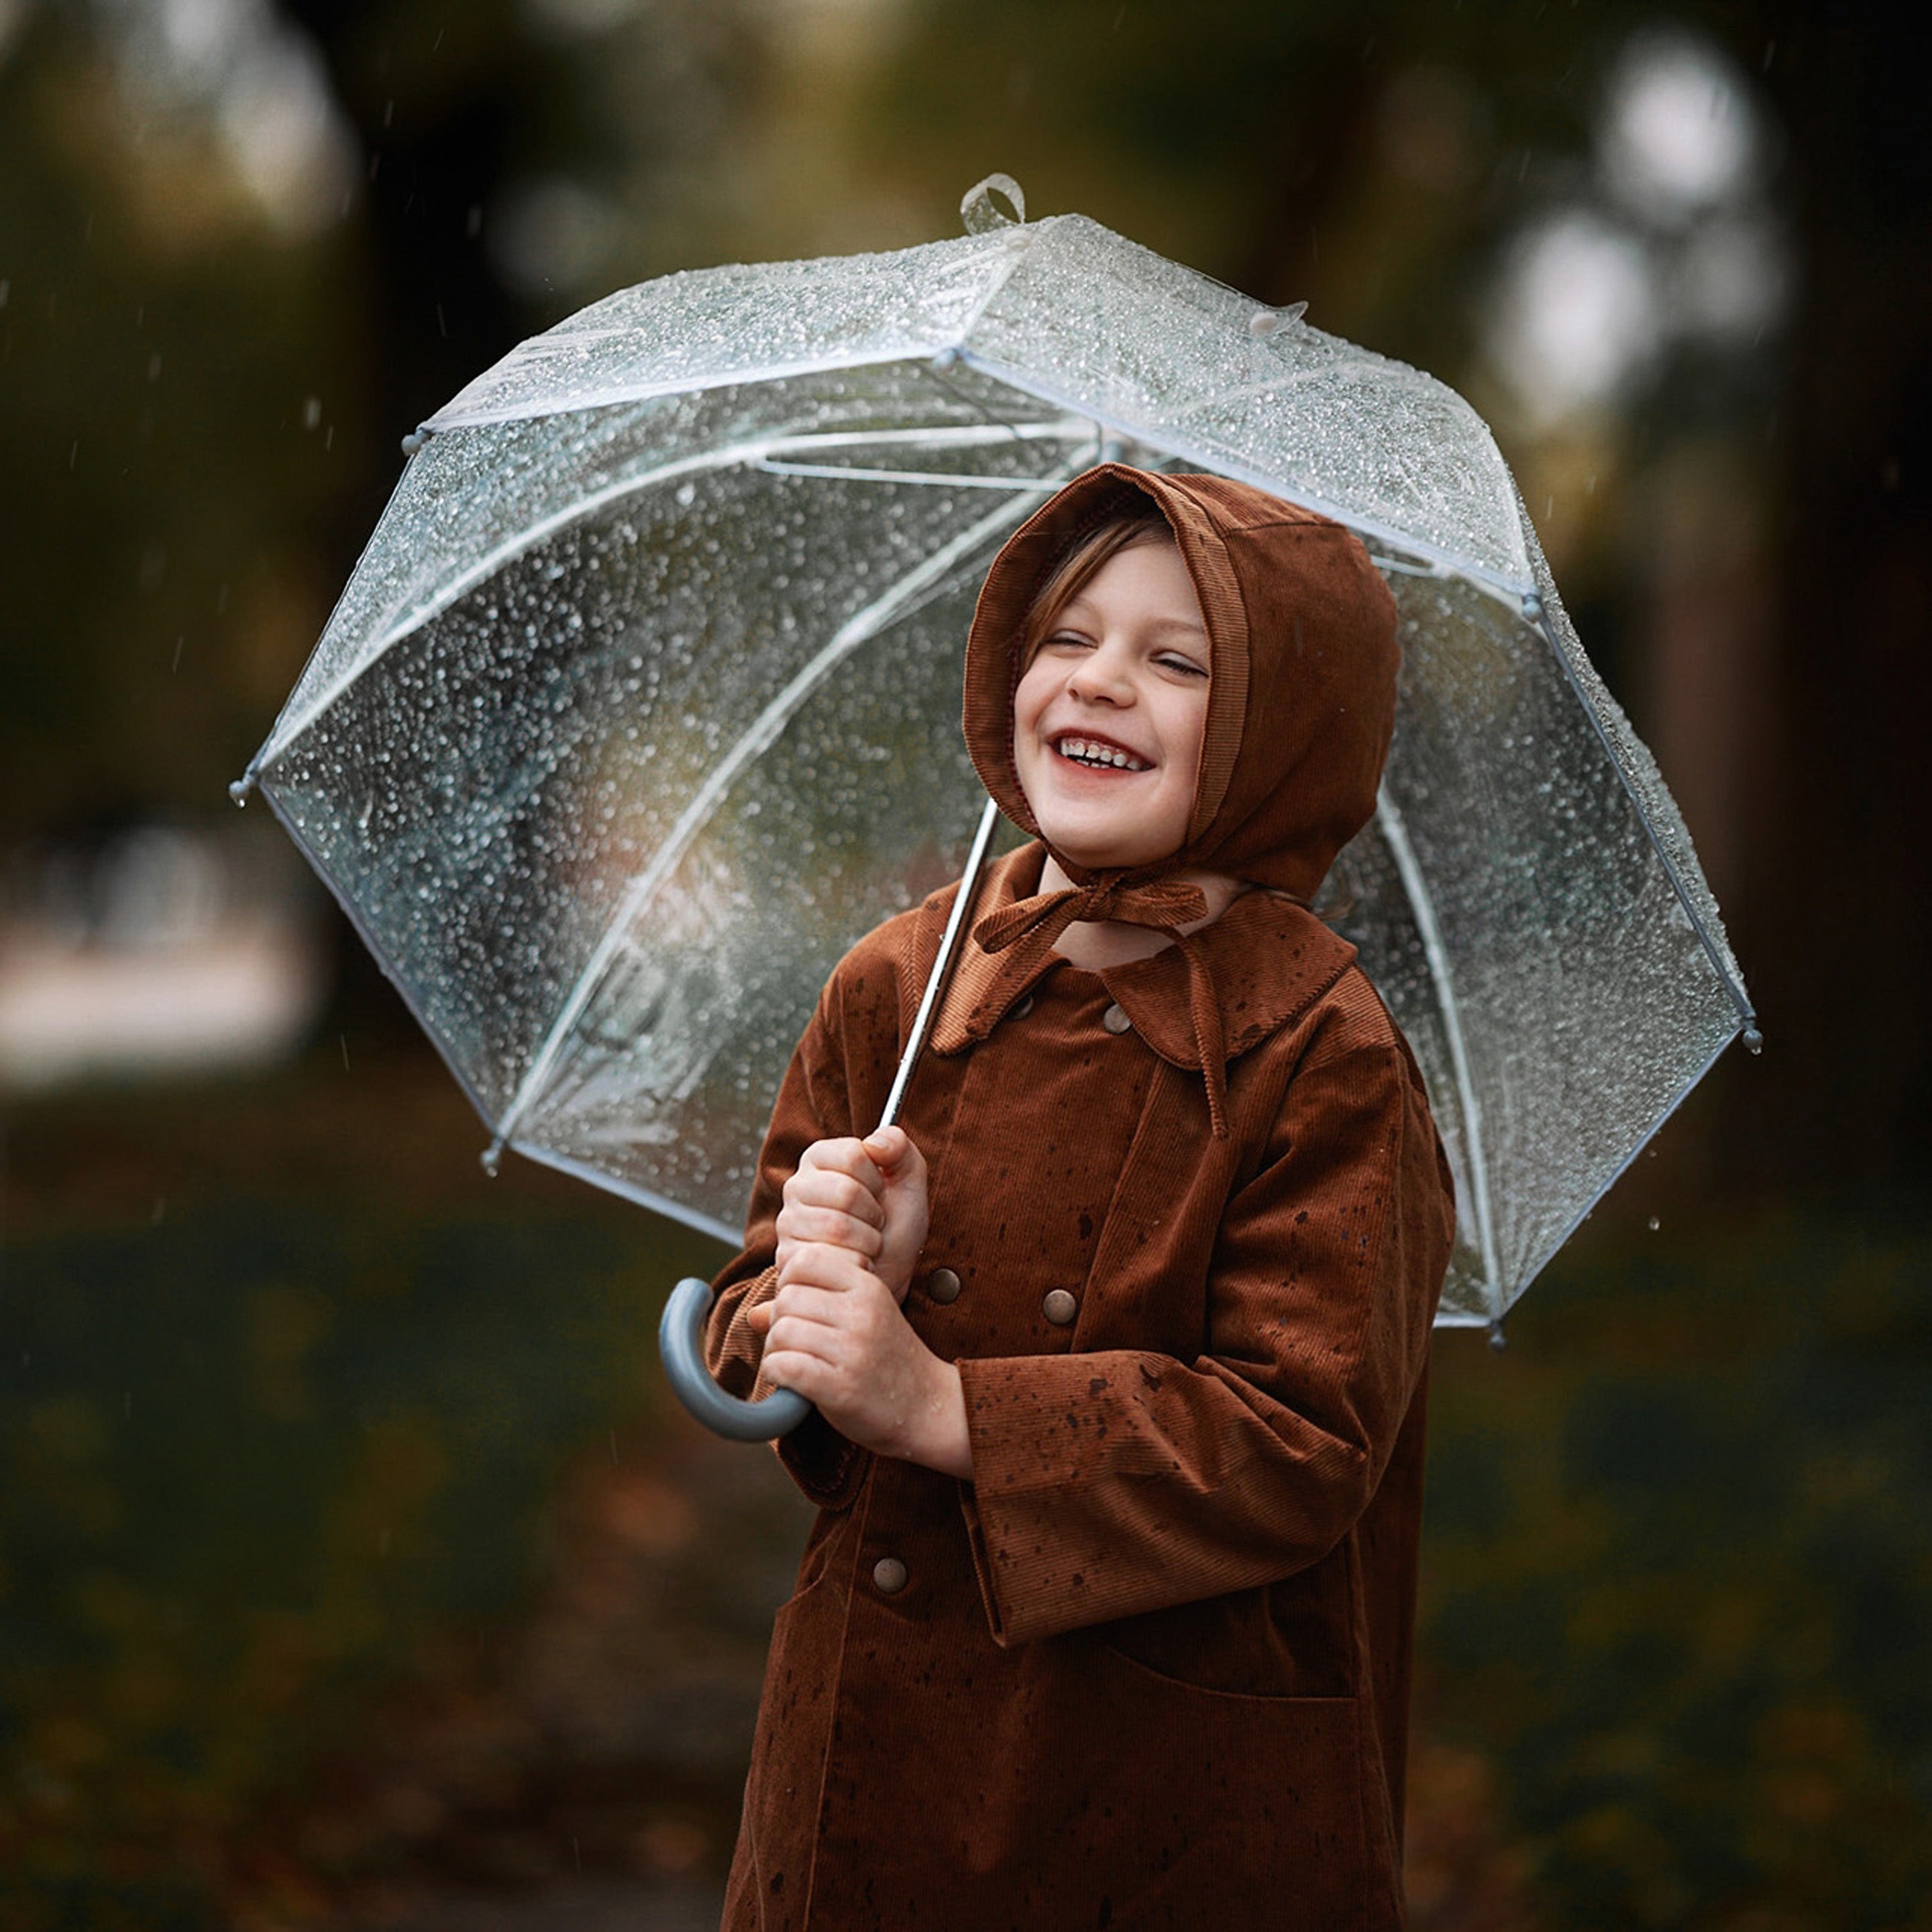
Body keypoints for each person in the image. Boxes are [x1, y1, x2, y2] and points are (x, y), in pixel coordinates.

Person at [705, 464, 1456, 1931]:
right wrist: (816, 1289)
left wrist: (943, 1405)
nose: (1099, 682)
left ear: (1277, 733)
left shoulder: (1321, 1050)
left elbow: (1300, 1439)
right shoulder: (901, 988)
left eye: (1176, 661)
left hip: (1169, 1793)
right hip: (871, 1764)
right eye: (1064, 637)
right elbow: (755, 1323)